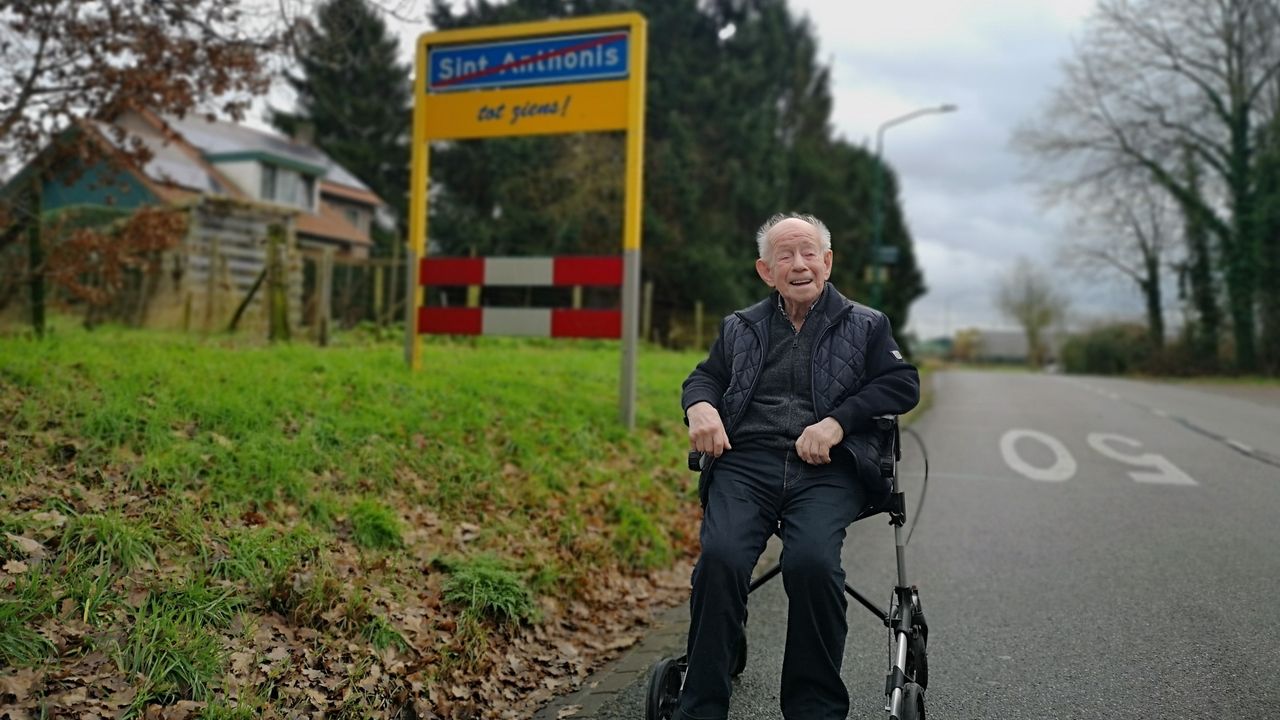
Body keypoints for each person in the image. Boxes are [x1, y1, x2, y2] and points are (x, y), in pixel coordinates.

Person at [676, 212, 920, 720]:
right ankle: (699, 707)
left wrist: (836, 422)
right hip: (746, 464)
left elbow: (902, 384)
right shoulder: (739, 326)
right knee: (720, 560)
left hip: (828, 467)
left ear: (827, 262)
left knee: (812, 563)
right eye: (784, 255)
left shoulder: (868, 324)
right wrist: (699, 406)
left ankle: (814, 709)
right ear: (766, 271)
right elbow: (704, 378)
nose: (799, 263)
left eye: (809, 252)